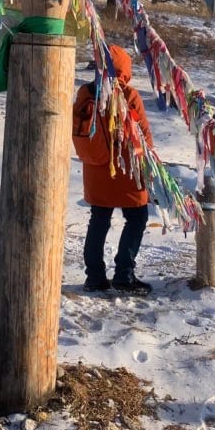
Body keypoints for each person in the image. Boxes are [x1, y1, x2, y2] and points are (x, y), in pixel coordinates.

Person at [74, 45, 154, 296]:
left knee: (99, 220)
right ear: (125, 70)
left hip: (96, 169)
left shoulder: (86, 92)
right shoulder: (128, 95)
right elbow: (143, 136)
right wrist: (150, 167)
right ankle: (124, 275)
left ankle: (95, 277)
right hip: (126, 170)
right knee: (138, 218)